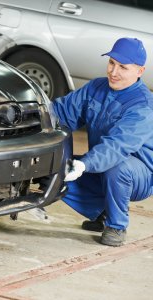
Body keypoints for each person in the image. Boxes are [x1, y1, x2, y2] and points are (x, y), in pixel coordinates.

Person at [52, 37, 153, 247]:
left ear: (139, 71)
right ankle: (101, 212)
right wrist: (34, 113)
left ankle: (117, 225)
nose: (113, 72)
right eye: (111, 63)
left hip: (139, 174)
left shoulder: (142, 106)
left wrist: (84, 164)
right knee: (54, 173)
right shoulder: (96, 87)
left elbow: (117, 147)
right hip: (101, 163)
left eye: (123, 67)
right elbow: (61, 113)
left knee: (117, 169)